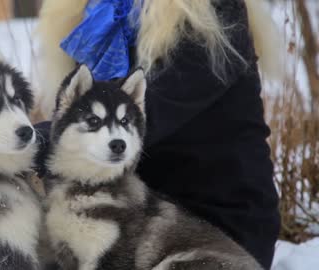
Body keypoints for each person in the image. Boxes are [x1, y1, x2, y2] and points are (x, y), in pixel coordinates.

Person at [34, 0, 284, 269]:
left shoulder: (214, 11)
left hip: (212, 228)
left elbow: (149, 112)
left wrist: (35, 140)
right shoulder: (96, 15)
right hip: (131, 215)